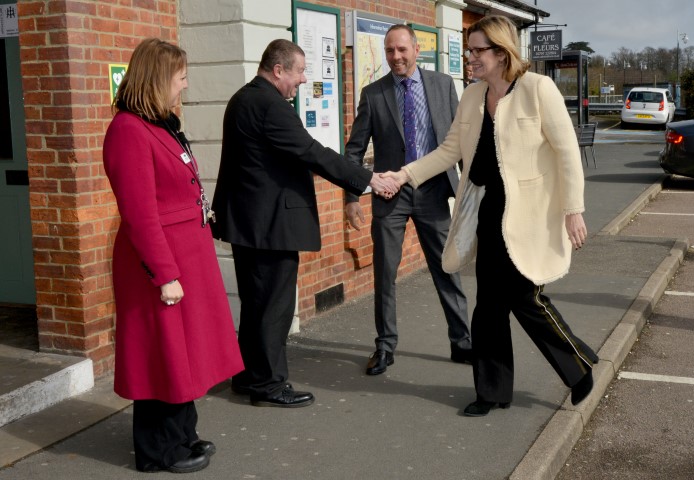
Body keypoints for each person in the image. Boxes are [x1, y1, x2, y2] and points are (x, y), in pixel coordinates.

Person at [384, 15, 599, 416]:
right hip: (488, 212)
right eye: (469, 51)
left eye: (477, 51)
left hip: (529, 215)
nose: (470, 58)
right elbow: (449, 150)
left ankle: (577, 364)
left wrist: (574, 210)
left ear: (501, 53)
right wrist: (405, 175)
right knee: (489, 306)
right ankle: (492, 392)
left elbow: (568, 153)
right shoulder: (472, 96)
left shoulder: (537, 89)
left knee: (525, 296)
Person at [211, 39, 398, 408]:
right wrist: (368, 179)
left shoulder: (242, 98)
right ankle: (269, 385)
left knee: (255, 304)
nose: (302, 79)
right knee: (274, 307)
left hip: (248, 223)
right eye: (298, 71)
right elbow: (312, 152)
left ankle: (249, 376)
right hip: (270, 226)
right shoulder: (270, 105)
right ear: (278, 69)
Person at [103, 38, 244, 473]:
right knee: (161, 356)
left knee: (183, 354)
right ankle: (158, 450)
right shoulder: (128, 130)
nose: (184, 85)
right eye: (180, 77)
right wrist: (164, 274)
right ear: (158, 78)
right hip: (159, 263)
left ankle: (183, 435)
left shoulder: (159, 125)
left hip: (187, 257)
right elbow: (139, 213)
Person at [344, 24, 472, 376]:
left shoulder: (443, 85)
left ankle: (462, 342)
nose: (395, 56)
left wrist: (469, 192)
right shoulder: (373, 94)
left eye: (401, 49)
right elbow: (354, 150)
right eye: (389, 51)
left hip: (433, 191)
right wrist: (351, 197)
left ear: (417, 49)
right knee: (385, 273)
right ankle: (385, 346)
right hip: (390, 196)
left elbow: (460, 142)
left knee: (447, 267)